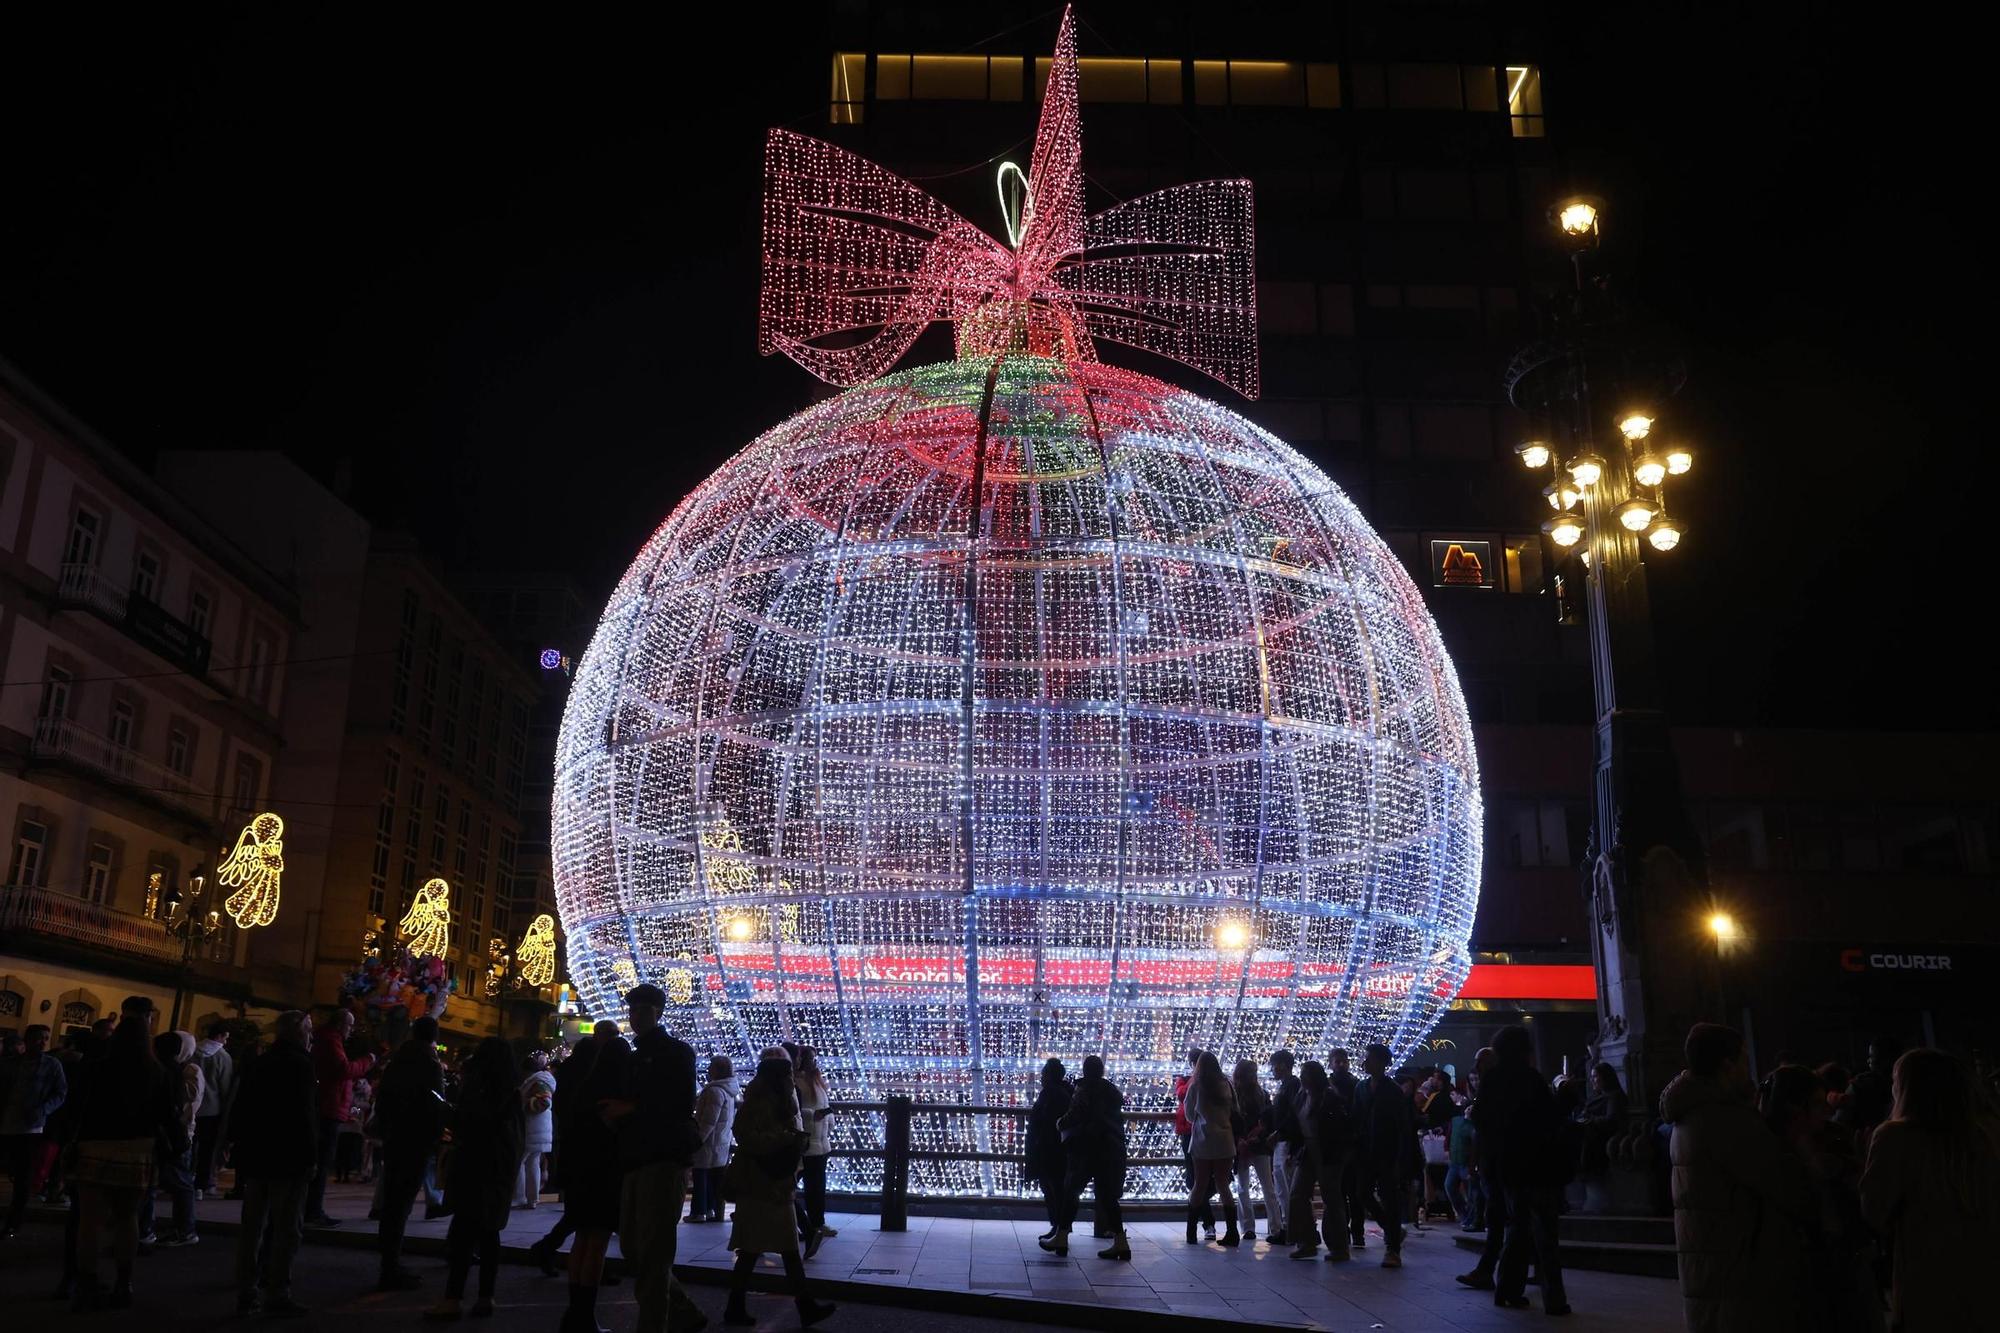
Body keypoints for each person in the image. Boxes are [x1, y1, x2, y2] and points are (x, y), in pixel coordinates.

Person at [1660, 1022, 1816, 1331]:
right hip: (1740, 1272)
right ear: (1727, 1065)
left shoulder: (1689, 1114)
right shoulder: (1726, 1120)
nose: (1749, 1067)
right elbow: (1786, 1186)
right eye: (1744, 1059)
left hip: (1712, 1269)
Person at [1860, 1048, 2000, 1332]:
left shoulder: (1894, 1136)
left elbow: (1874, 1212)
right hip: (1985, 1276)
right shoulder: (1985, 1133)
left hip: (1927, 1281)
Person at [605, 983, 705, 1333]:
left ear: (657, 1012)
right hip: (635, 1157)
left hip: (663, 1158)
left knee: (655, 1251)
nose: (635, 1017)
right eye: (632, 1011)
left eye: (642, 1011)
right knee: (634, 1248)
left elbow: (679, 1103)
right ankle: (683, 1309)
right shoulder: (634, 1057)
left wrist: (629, 1108)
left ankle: (652, 1326)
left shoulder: (676, 1053)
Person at [68, 995, 176, 1310]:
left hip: (96, 1144)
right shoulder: (156, 1072)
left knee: (90, 1220)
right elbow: (166, 1115)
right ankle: (123, 1282)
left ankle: (87, 1282)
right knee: (128, 1217)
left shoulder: (99, 1067)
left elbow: (79, 1106)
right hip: (138, 1149)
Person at [721, 1049, 836, 1327]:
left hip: (774, 1184)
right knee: (761, 1248)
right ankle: (797, 1306)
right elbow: (750, 1137)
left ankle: (745, 1306)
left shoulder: (779, 1100)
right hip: (763, 1183)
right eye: (786, 1073)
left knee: (774, 1248)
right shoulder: (762, 1102)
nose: (791, 1078)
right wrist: (786, 1138)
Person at [1470, 1025, 1570, 1314]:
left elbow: (1480, 1118)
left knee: (1517, 1227)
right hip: (1538, 1164)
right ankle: (1554, 1298)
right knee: (1546, 1235)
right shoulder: (1532, 1080)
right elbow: (1550, 1119)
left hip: (1508, 1166)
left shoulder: (1493, 1081)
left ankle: (1507, 1288)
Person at [424, 1037, 525, 1319]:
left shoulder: (477, 1088)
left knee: (463, 1235)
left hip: (473, 1167)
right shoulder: (511, 1092)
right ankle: (485, 1296)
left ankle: (453, 1299)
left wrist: (447, 1112)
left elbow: (467, 1123)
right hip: (498, 1172)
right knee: (490, 1235)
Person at [230, 1010, 318, 1317]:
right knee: (286, 1229)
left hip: (256, 1156)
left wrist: (237, 1147)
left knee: (252, 1227)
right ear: (297, 1033)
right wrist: (310, 1157)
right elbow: (305, 1115)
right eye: (308, 1031)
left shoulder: (260, 1062)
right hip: (288, 1157)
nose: (311, 1036)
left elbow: (241, 1106)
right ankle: (278, 1292)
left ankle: (246, 1289)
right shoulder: (302, 1066)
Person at [551, 1021, 628, 1332]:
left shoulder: (584, 1083)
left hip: (578, 1168)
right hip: (604, 1170)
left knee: (581, 1240)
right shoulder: (616, 1093)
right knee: (596, 1242)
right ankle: (584, 1315)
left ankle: (574, 1312)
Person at [529, 1021, 620, 1278]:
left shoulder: (571, 1067)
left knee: (580, 1212)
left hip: (572, 1145)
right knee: (587, 1213)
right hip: (590, 1149)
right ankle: (586, 1266)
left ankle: (558, 1252)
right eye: (612, 1035)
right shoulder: (592, 1068)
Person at [373, 1015, 447, 1291]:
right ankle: (391, 1266)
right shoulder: (429, 1063)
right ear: (433, 1036)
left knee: (393, 1201)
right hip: (416, 1139)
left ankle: (388, 1261)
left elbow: (384, 1098)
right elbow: (436, 1103)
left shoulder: (398, 1060)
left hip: (395, 1137)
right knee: (401, 1203)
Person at [1043, 1054, 1129, 1259]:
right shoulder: (1112, 1092)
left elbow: (1075, 1114)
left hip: (1086, 1149)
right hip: (1110, 1149)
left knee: (1071, 1192)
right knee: (1108, 1197)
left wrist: (1060, 1123)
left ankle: (1061, 1236)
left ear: (1085, 1070)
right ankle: (1121, 1241)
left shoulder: (1084, 1089)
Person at [305, 1007, 374, 1227]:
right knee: (322, 1161)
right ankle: (312, 1210)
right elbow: (343, 1069)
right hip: (329, 1106)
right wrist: (367, 1061)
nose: (351, 1030)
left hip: (331, 1105)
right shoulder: (330, 1040)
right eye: (349, 1025)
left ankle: (310, 1207)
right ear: (340, 1024)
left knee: (322, 1160)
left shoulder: (327, 1039)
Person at [1, 1021, 66, 1238]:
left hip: (31, 1127)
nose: (43, 1042)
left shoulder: (51, 1065)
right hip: (7, 1122)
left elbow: (60, 1093)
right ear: (27, 1040)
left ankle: (13, 1222)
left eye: (46, 1038)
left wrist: (43, 1110)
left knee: (23, 1177)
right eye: (39, 1037)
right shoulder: (10, 1064)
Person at [1285, 1059, 1352, 1261]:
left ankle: (1338, 1246)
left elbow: (1338, 1127)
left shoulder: (1329, 1098)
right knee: (1297, 1194)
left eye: (1307, 1074)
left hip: (1327, 1151)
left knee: (1331, 1198)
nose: (1303, 1078)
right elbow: (1294, 1122)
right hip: (1308, 1150)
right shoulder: (1302, 1096)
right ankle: (1307, 1240)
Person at [1354, 1042, 1414, 1268]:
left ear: (1381, 1062)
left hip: (1387, 1152)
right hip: (1365, 1151)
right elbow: (1356, 1116)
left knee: (1390, 1197)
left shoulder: (1393, 1091)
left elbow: (1402, 1126)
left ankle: (1393, 1248)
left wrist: (1401, 1156)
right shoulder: (1361, 1087)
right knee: (1363, 1193)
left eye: (1369, 1058)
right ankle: (1393, 1231)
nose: (1365, 1062)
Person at [143, 1029, 203, 1247]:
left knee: (180, 1182)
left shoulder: (186, 1070)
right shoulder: (172, 1070)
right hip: (173, 1132)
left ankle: (185, 1229)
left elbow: (189, 1102)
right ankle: (152, 1228)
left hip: (178, 1133)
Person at [1179, 1050, 1239, 1246]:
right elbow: (1235, 1110)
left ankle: (1191, 1233)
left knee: (1199, 1184)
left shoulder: (1196, 1086)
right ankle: (1232, 1232)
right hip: (1225, 1140)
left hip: (1203, 1140)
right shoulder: (1227, 1084)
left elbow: (1188, 1115)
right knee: (1223, 1185)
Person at [792, 1043, 834, 1257]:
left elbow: (824, 1105)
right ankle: (810, 1224)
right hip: (808, 1140)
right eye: (810, 1058)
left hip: (820, 1141)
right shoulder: (798, 1083)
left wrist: (828, 1120)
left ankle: (817, 1222)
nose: (813, 1063)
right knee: (799, 1185)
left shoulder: (816, 1081)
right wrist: (813, 1116)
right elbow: (799, 1110)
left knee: (817, 1186)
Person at [1023, 1057, 1072, 1240]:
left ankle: (1059, 1229)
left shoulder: (1052, 1094)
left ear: (1050, 1076)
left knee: (1053, 1190)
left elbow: (1046, 1122)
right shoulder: (1064, 1092)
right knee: (1055, 1190)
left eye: (1043, 1074)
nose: (1041, 1077)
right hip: (1056, 1150)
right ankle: (1059, 1228)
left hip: (1050, 1150)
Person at [1171, 1048, 1216, 1240]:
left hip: (1198, 1133)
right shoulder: (1189, 1080)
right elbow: (1181, 1093)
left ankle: (1203, 1226)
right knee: (1197, 1181)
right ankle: (1208, 1224)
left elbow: (1184, 1097)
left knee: (1195, 1181)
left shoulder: (1196, 1082)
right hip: (1194, 1134)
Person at [689, 1055, 740, 1224]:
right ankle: (710, 1209)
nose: (708, 1070)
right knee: (711, 1177)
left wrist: (698, 1139)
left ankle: (699, 1211)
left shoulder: (713, 1091)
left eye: (711, 1066)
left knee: (700, 1176)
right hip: (721, 1141)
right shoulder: (729, 1091)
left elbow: (709, 1120)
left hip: (708, 1143)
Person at [1231, 1058, 1277, 1243]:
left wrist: (1239, 1139)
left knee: (1244, 1188)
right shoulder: (1261, 1094)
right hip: (1257, 1143)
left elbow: (1231, 1118)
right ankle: (1274, 1226)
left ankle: (1249, 1227)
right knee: (1267, 1187)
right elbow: (1268, 1117)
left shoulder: (1235, 1094)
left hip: (1244, 1144)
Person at [1329, 1047, 1366, 1249]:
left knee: (1354, 1193)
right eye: (1338, 1061)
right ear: (1331, 1063)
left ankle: (1357, 1232)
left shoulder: (1355, 1085)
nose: (1341, 1064)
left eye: (1344, 1061)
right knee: (1341, 1193)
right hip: (1337, 1146)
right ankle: (1344, 1231)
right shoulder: (1328, 1085)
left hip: (1351, 1146)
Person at [192, 1021, 233, 1198]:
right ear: (219, 1036)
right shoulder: (222, 1057)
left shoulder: (193, 1050)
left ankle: (186, 1178)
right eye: (225, 1037)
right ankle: (203, 1183)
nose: (226, 1041)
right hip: (212, 1109)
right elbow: (225, 1085)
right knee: (207, 1149)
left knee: (190, 1145)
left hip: (191, 1107)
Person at [1838, 1035, 1902, 1145]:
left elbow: (1841, 1123)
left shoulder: (1859, 1085)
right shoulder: (1911, 1084)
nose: (1869, 1061)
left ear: (1885, 1059)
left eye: (1872, 1056)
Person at [1265, 1050, 1301, 1245]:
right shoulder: (1287, 1085)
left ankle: (1291, 1228)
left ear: (1284, 1065)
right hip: (1282, 1139)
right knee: (1282, 1185)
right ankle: (1290, 1227)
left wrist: (1278, 1132)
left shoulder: (1292, 1085)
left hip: (1286, 1140)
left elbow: (1293, 1114)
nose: (1273, 1069)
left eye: (1275, 1065)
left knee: (1284, 1185)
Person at [516, 1052, 556, 1210]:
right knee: (533, 1163)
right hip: (540, 1128)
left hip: (532, 1127)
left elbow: (544, 1101)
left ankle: (519, 1196)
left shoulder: (538, 1081)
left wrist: (524, 1104)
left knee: (520, 1162)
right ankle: (532, 1198)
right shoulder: (544, 1080)